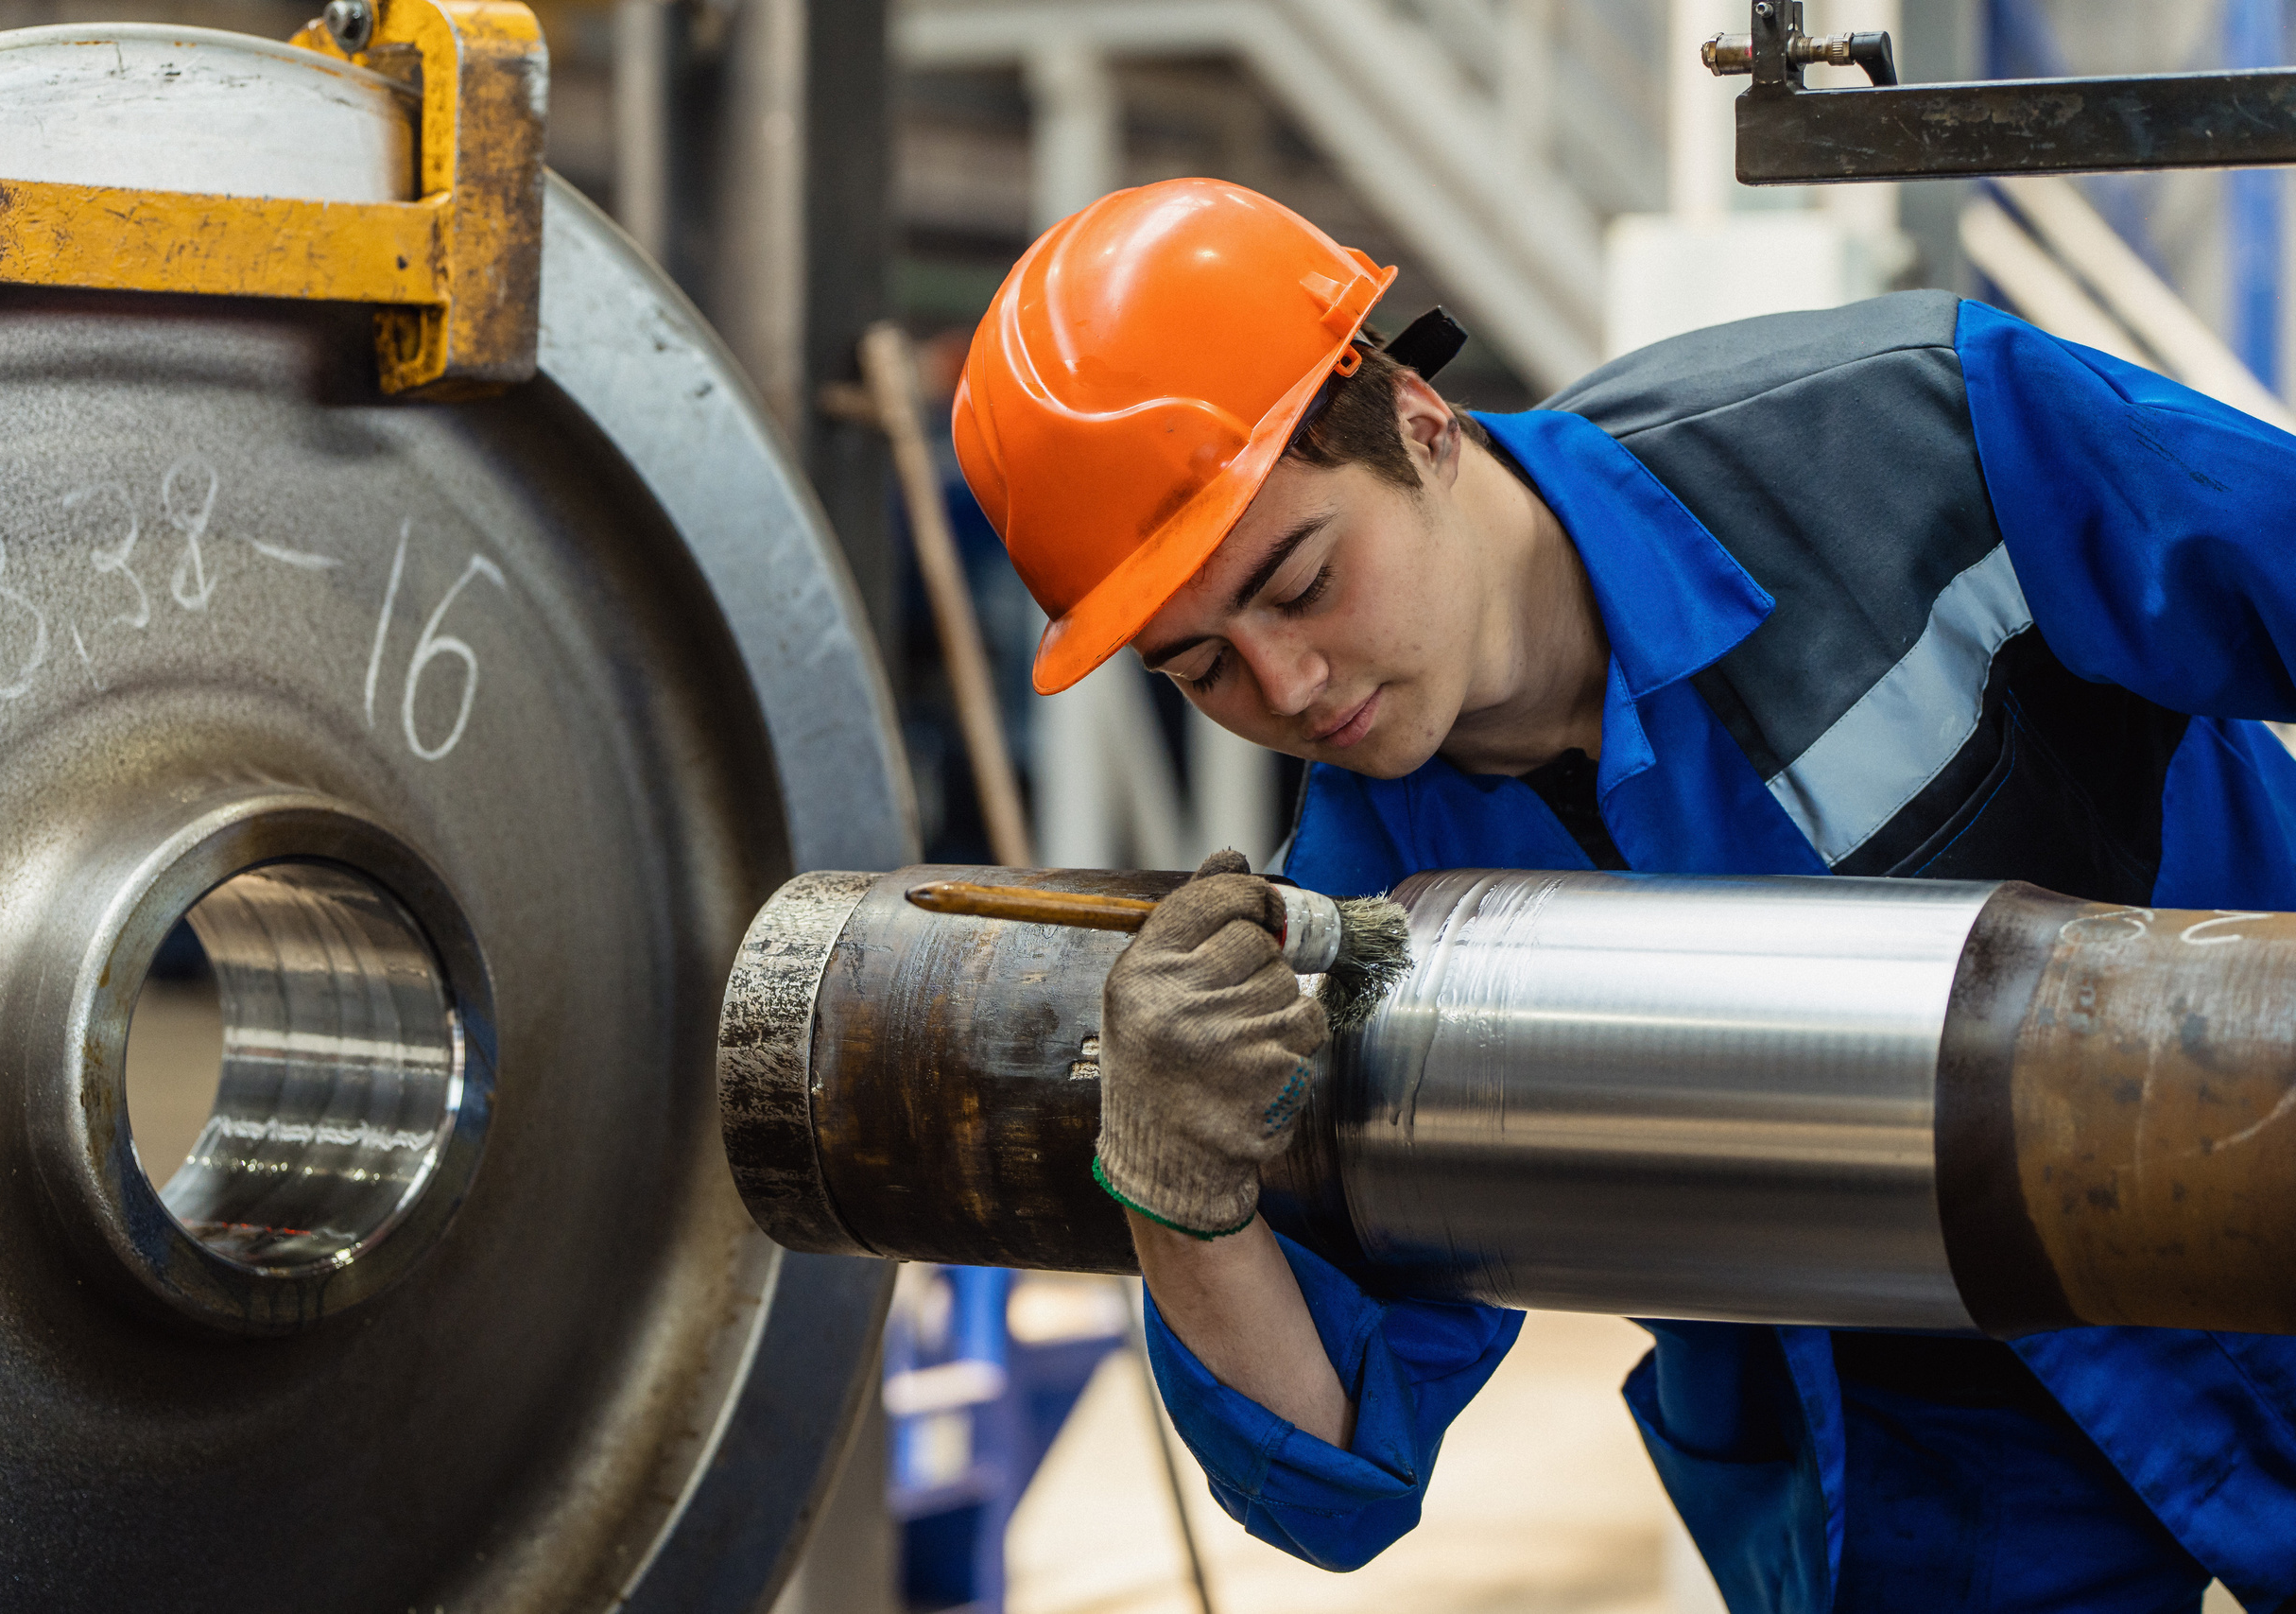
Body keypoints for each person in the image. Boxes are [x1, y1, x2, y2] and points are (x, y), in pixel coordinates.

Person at [949, 177, 2296, 1613]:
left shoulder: (1913, 444)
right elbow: (1335, 1463)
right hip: (1929, 1475)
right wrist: (1170, 1190)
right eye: (1200, 667)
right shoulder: (1362, 917)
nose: (1287, 688)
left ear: (1417, 420)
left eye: (1301, 584)